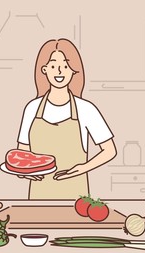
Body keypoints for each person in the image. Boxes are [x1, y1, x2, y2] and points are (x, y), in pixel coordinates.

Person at [17, 38, 117, 199]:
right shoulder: (32, 108)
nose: (59, 71)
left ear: (73, 71)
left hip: (78, 198)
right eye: (54, 66)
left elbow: (110, 150)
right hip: (39, 195)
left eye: (65, 66)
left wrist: (83, 168)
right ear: (44, 69)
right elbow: (22, 152)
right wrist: (24, 173)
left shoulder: (86, 109)